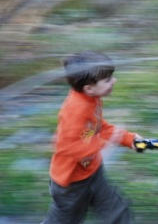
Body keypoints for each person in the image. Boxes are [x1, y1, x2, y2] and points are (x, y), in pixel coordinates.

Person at [42, 51, 142, 224]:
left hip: (93, 172)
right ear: (89, 87)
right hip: (71, 184)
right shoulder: (75, 110)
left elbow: (98, 127)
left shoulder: (92, 98)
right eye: (108, 79)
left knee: (118, 213)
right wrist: (105, 145)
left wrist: (128, 139)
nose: (114, 81)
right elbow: (65, 147)